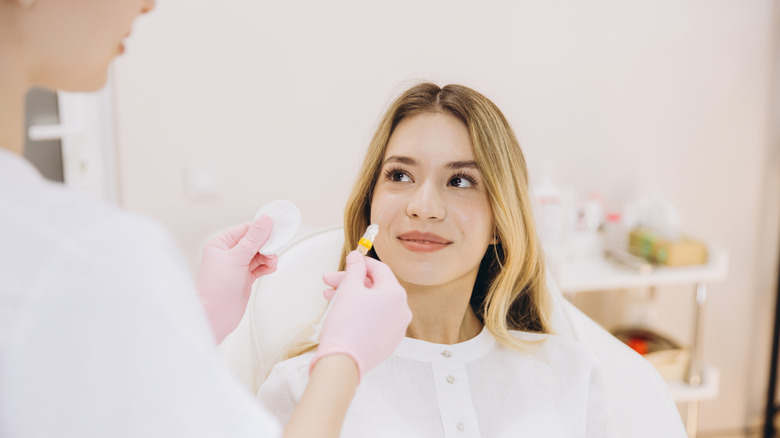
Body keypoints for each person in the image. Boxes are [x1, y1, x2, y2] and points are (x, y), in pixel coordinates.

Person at [0, 1, 411, 437]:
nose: (147, 4)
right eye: (399, 174)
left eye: (460, 181)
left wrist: (200, 318)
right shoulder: (85, 255)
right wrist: (344, 357)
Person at [257, 82, 618, 437]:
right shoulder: (301, 386)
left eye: (460, 181)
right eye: (399, 175)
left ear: (500, 221)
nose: (423, 208)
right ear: (370, 205)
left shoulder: (570, 372)